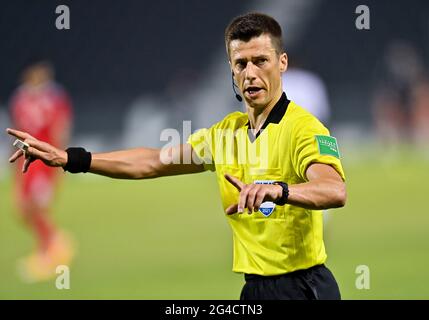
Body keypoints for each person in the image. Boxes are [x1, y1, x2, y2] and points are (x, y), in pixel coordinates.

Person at [7, 13, 346, 299]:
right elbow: (153, 162)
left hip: (304, 288)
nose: (250, 73)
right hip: (253, 288)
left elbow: (334, 189)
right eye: (241, 63)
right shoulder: (226, 133)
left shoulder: (304, 127)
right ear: (231, 68)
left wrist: (281, 191)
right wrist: (72, 159)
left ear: (282, 63)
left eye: (261, 61)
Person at [9, 59, 74, 282]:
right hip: (25, 161)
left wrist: (62, 159)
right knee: (22, 210)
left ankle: (50, 252)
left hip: (45, 160)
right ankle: (54, 242)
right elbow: (16, 132)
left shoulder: (54, 98)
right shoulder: (20, 99)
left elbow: (61, 128)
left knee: (37, 207)